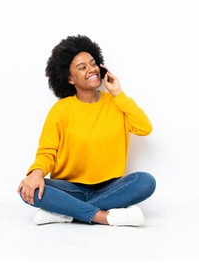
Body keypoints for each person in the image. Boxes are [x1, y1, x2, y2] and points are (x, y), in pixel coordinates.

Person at [17, 35, 156, 226]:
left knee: (146, 181)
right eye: (82, 68)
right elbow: (47, 152)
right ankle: (105, 217)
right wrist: (36, 173)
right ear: (70, 79)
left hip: (110, 187)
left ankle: (65, 212)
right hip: (70, 187)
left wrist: (118, 93)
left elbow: (144, 128)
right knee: (28, 188)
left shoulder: (116, 102)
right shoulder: (61, 110)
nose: (91, 69)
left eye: (93, 64)